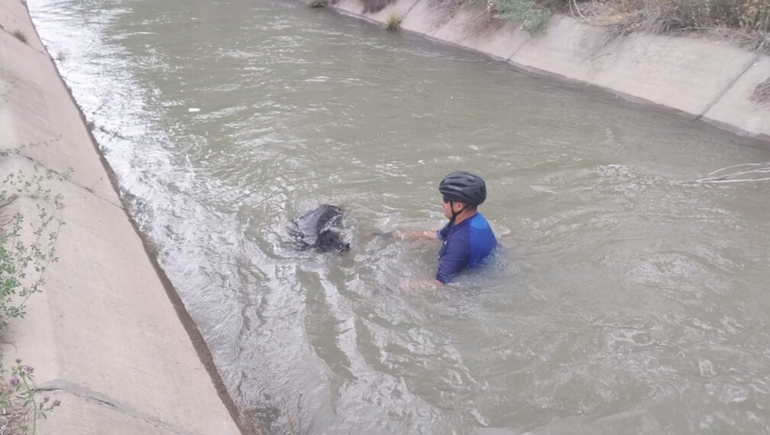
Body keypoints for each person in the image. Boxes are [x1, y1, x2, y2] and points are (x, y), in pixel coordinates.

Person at [394, 171, 497, 284]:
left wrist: (398, 286)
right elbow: (437, 236)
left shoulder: (459, 242)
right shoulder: (472, 219)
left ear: (459, 206)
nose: (441, 203)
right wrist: (398, 235)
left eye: (446, 199)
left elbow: (440, 284)